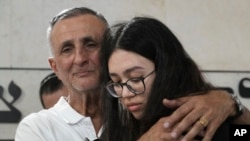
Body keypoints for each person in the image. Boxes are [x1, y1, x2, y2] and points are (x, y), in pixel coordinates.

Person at [15, 7, 250, 141]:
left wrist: (231, 104)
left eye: (91, 44)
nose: (80, 58)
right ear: (54, 65)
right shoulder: (36, 128)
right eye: (117, 82)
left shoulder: (205, 121)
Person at [99, 16, 250, 141]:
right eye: (117, 83)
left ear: (166, 71)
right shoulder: (116, 133)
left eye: (136, 79)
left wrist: (233, 104)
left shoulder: (212, 127)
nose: (126, 94)